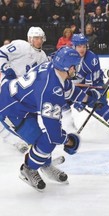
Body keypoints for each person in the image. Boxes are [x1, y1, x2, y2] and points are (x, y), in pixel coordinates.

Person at [0, 47, 100, 191]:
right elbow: (54, 134)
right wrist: (70, 141)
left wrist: (88, 99)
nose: (76, 69)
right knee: (46, 142)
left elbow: (67, 88)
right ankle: (28, 169)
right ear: (68, 67)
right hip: (10, 110)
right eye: (75, 66)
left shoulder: (53, 68)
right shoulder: (50, 91)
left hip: (20, 102)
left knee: (43, 142)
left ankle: (44, 165)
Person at [61, 33, 109, 137]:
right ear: (74, 46)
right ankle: (69, 129)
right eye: (79, 46)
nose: (82, 49)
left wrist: (81, 99)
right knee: (61, 102)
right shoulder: (68, 57)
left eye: (84, 46)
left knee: (99, 105)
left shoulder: (91, 59)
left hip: (94, 86)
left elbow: (89, 86)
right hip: (75, 86)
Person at [0, 26, 48, 152]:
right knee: (8, 117)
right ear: (30, 39)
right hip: (9, 89)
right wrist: (6, 68)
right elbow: (2, 53)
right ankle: (14, 141)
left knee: (30, 117)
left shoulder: (42, 56)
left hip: (25, 93)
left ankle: (33, 145)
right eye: (36, 38)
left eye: (41, 38)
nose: (39, 41)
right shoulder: (21, 46)